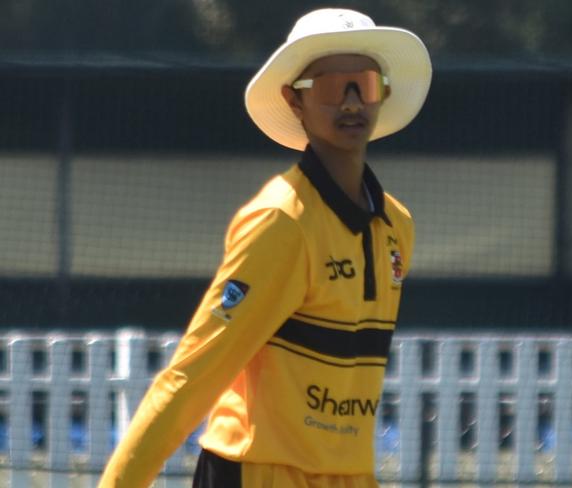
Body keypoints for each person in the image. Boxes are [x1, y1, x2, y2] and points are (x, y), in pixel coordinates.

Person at [99, 7, 432, 487]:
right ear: (293, 102)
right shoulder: (281, 221)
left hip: (348, 475)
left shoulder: (396, 226)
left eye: (365, 83)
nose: (353, 102)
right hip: (256, 471)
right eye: (331, 88)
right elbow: (194, 372)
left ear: (385, 93)